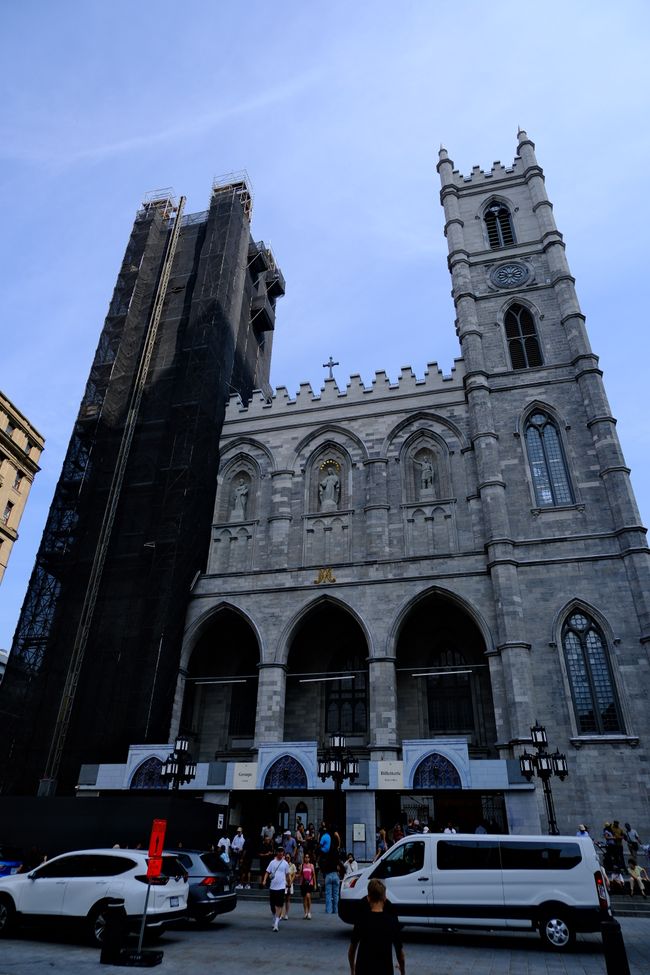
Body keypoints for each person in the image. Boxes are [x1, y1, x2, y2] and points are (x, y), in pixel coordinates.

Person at [348, 879, 405, 975]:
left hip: (363, 969)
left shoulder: (362, 920)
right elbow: (400, 953)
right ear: (385, 898)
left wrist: (352, 970)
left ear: (368, 898)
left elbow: (352, 950)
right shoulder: (391, 922)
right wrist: (403, 971)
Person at [263, 847, 292, 932]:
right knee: (272, 905)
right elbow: (267, 872)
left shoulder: (285, 863)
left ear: (283, 853)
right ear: (277, 852)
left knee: (279, 905)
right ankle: (274, 916)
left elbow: (287, 875)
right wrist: (264, 880)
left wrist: (289, 883)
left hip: (281, 887)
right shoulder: (272, 862)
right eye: (279, 851)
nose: (280, 853)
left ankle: (276, 923)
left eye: (281, 852)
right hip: (273, 886)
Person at [299, 852, 317, 919]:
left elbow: (314, 875)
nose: (306, 858)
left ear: (309, 858)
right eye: (305, 857)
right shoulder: (302, 865)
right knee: (304, 898)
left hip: (310, 883)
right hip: (303, 883)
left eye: (308, 857)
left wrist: (315, 884)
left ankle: (309, 912)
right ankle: (305, 912)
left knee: (308, 896)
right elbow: (300, 874)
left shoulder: (311, 865)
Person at [281, 852, 297, 919]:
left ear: (290, 858)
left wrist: (290, 882)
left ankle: (286, 914)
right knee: (282, 898)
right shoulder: (283, 864)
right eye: (286, 857)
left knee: (288, 899)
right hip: (283, 883)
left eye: (288, 857)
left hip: (290, 883)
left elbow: (294, 875)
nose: (287, 858)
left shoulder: (292, 865)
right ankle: (281, 913)